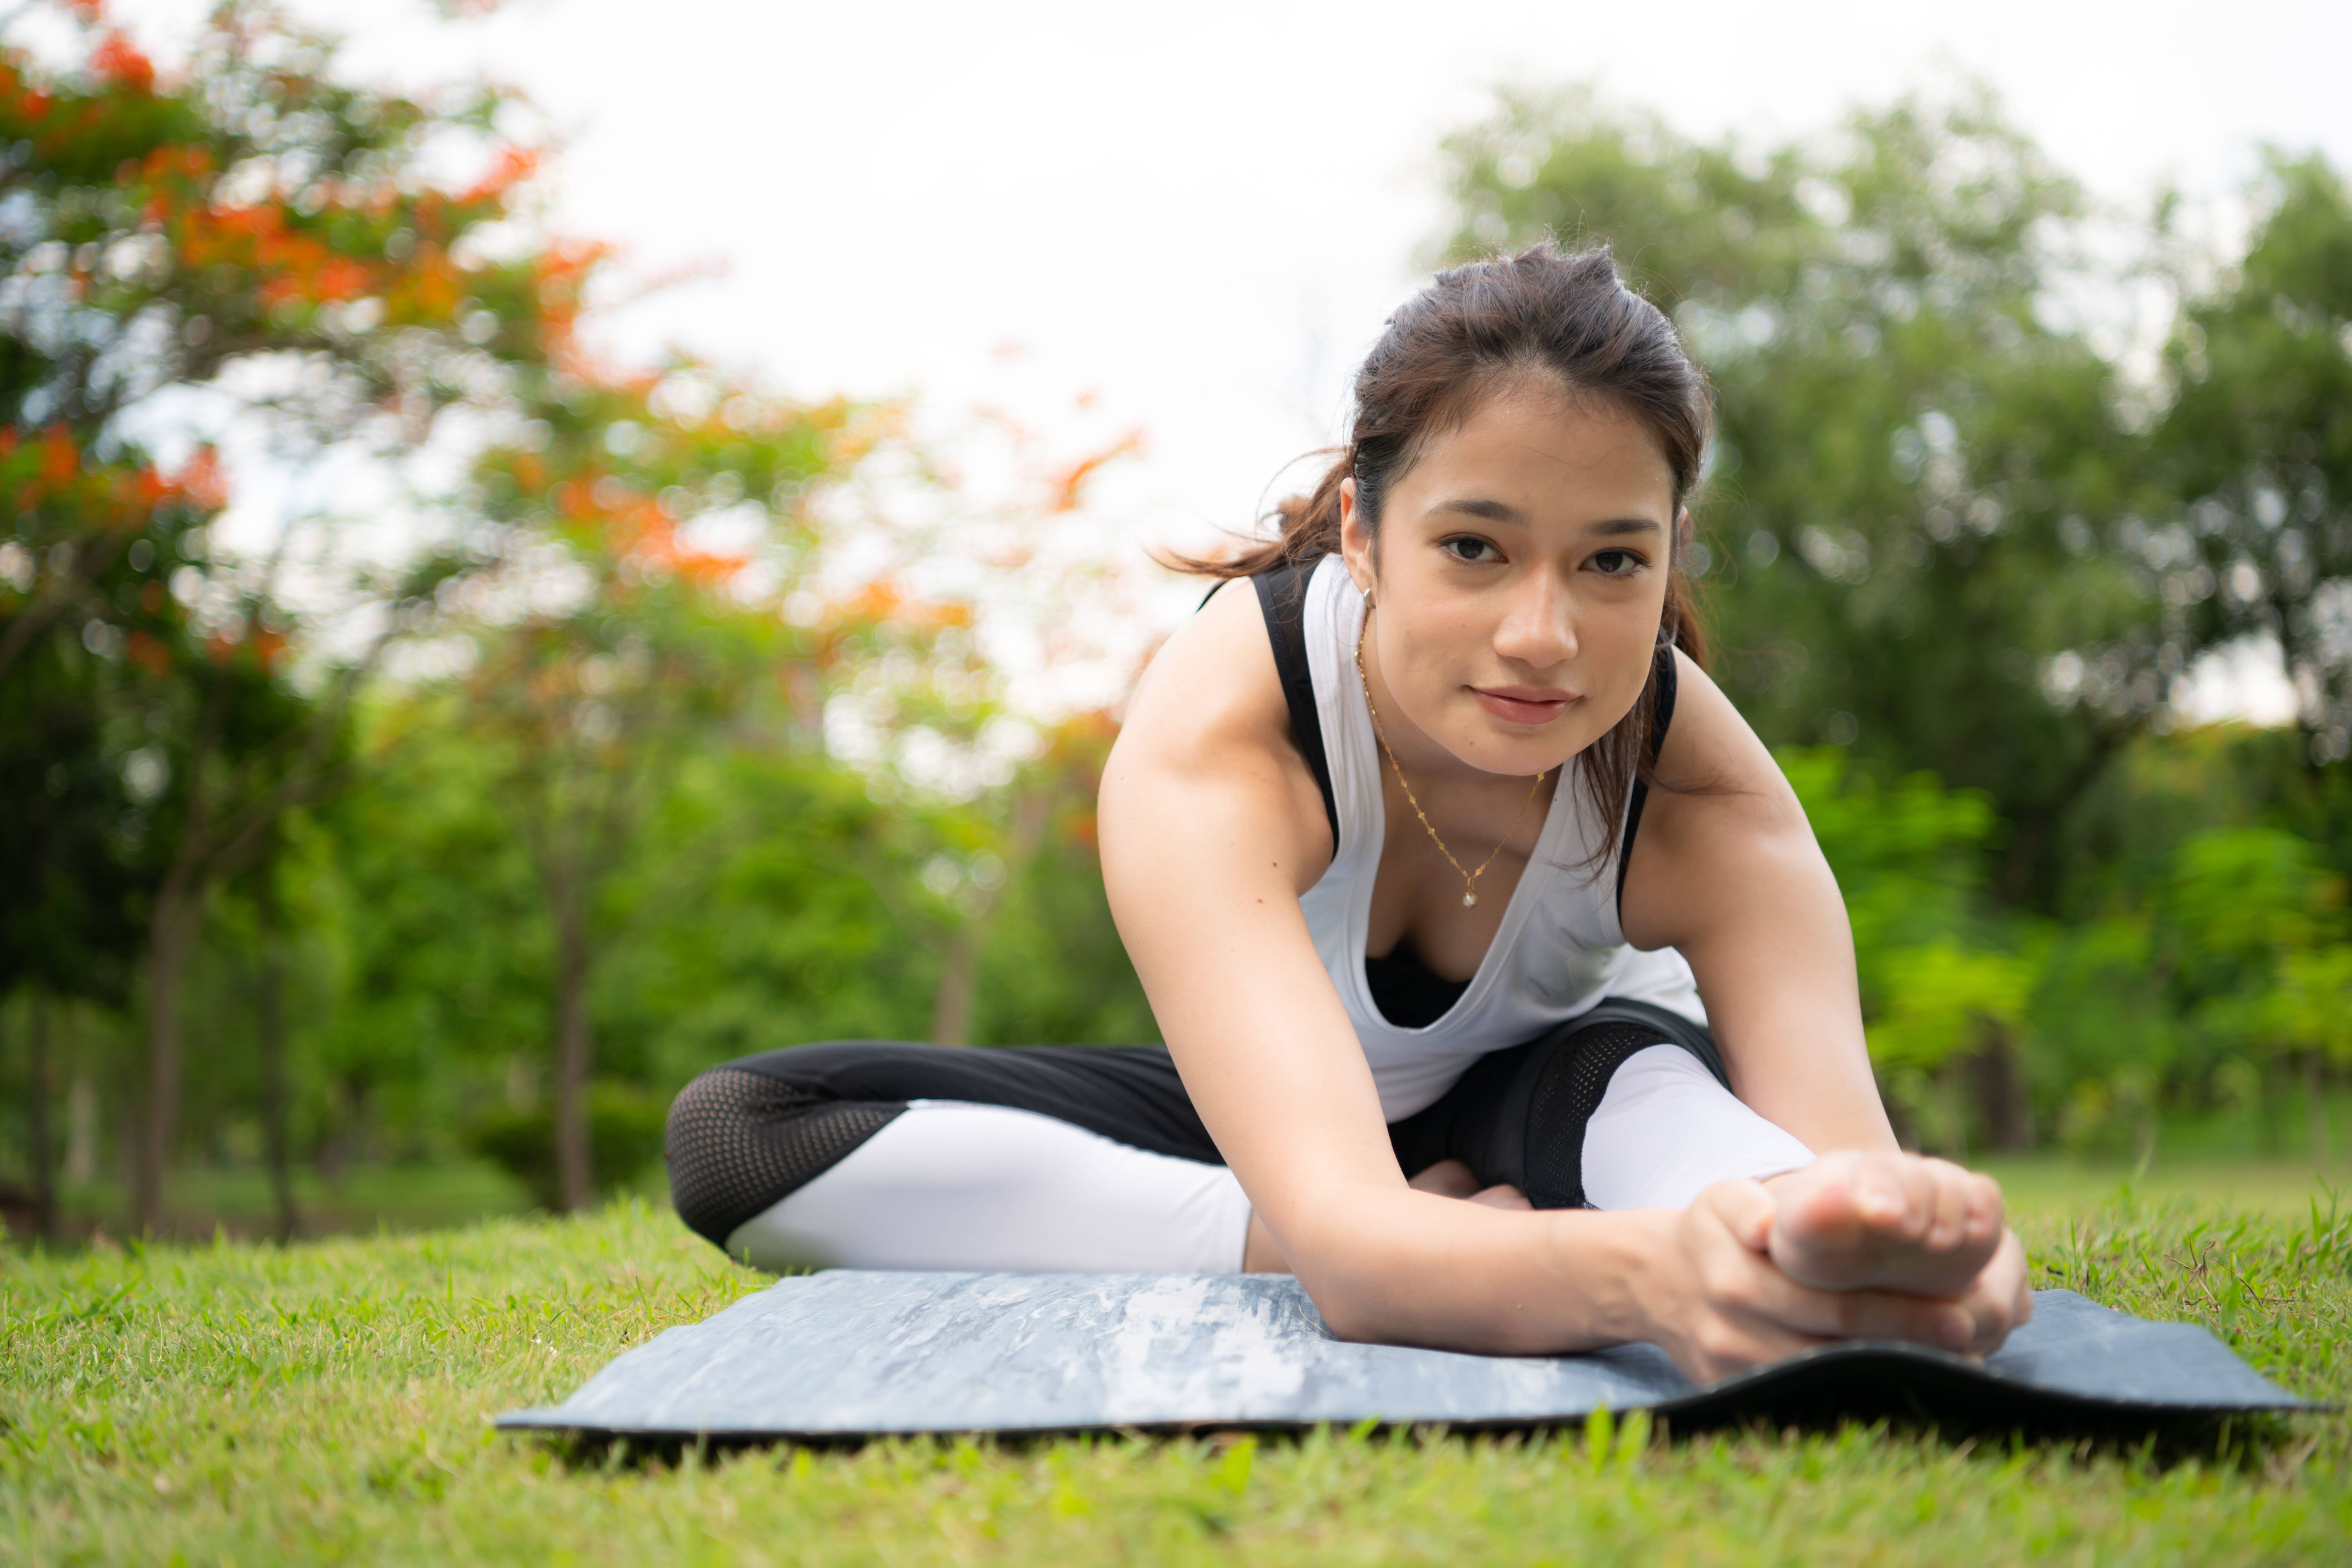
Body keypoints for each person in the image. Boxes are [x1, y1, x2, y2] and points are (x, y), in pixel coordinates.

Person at [661, 243, 2032, 1381]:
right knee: (745, 1135)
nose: (1543, 636)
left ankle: (1617, 1230)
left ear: (1673, 556)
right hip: (1283, 1134)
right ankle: (1302, 1238)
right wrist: (1641, 1278)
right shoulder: (1227, 730)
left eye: (1614, 560)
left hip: (1563, 1104)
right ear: (1366, 538)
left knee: (1698, 1128)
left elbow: (1842, 1153)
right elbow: (1365, 1266)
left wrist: (1896, 1241)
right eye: (1474, 549)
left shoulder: (1703, 798)